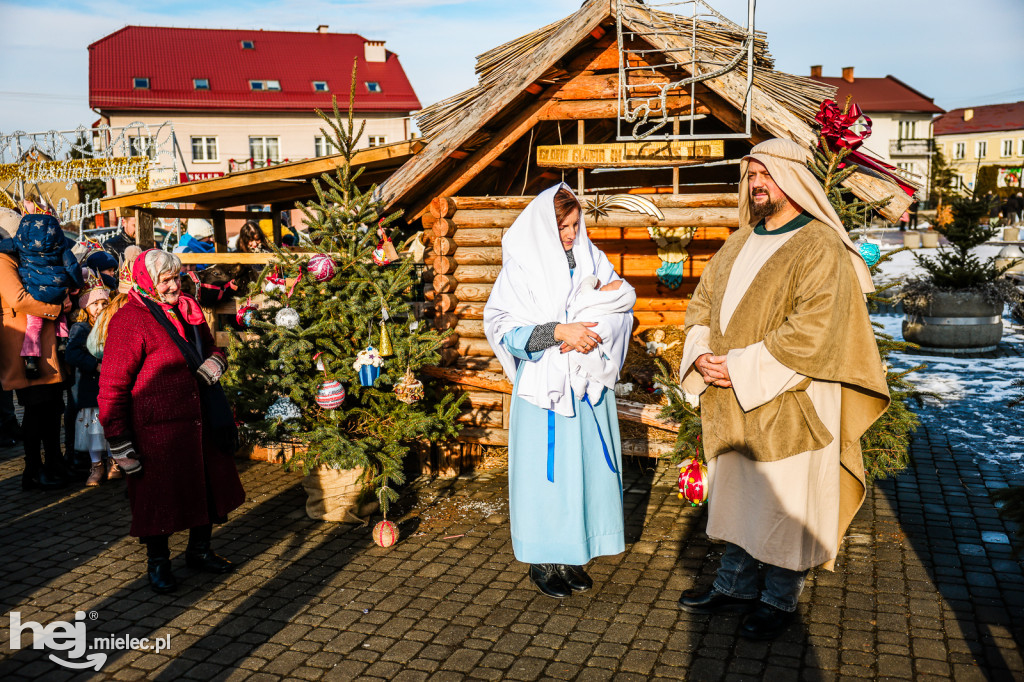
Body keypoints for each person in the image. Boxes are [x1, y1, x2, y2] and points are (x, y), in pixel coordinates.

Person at [677, 138, 890, 639]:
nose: (756, 185)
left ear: (793, 180)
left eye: (765, 175)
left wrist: (743, 366)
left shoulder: (819, 246)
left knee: (784, 505)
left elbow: (814, 329)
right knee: (737, 498)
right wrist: (701, 354)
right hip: (734, 399)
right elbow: (702, 305)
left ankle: (777, 599)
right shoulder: (738, 242)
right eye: (751, 176)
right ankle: (732, 585)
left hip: (792, 400)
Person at [484, 184, 635, 598]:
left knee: (583, 474)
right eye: (561, 227)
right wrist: (557, 332)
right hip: (545, 395)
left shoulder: (594, 259)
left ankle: (571, 554)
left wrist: (595, 331)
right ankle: (542, 560)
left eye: (573, 224)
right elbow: (503, 329)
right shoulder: (521, 269)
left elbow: (623, 309)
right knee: (547, 479)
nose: (570, 234)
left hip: (587, 388)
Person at [99, 249, 245, 593]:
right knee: (158, 499)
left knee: (206, 486)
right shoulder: (130, 320)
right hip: (158, 429)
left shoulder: (189, 310)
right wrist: (119, 442)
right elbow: (112, 388)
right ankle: (158, 563)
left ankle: (199, 551)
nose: (173, 285)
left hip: (201, 417)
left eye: (176, 277)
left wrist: (214, 366)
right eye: (165, 279)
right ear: (146, 281)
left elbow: (215, 348)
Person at [0, 211, 69, 490]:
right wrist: (55, 309)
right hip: (23, 349)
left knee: (53, 407)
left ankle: (54, 462)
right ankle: (32, 469)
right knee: (35, 409)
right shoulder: (4, 261)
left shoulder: (27, 256)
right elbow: (17, 298)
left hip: (46, 344)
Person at [0, 214, 84, 379]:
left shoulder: (19, 244)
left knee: (34, 327)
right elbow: (18, 299)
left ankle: (31, 356)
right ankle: (63, 341)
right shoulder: (58, 243)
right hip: (57, 290)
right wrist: (75, 286)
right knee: (59, 316)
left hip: (36, 291)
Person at [66, 269, 111, 486]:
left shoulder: (111, 325)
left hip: (109, 386)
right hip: (90, 387)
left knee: (112, 425)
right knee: (94, 429)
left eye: (104, 303)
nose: (100, 308)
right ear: (85, 307)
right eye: (95, 304)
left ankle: (114, 462)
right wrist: (95, 365)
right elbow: (72, 353)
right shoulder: (81, 328)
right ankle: (96, 465)